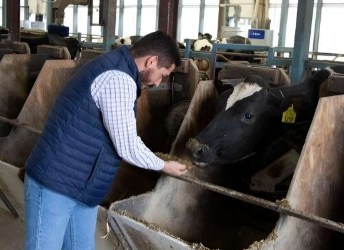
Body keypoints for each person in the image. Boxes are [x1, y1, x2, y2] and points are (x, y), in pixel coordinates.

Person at [24, 30, 186, 250]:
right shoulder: (118, 79)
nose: (159, 83)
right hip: (56, 183)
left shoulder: (117, 67)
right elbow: (127, 145)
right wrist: (164, 165)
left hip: (83, 186)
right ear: (152, 61)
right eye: (163, 74)